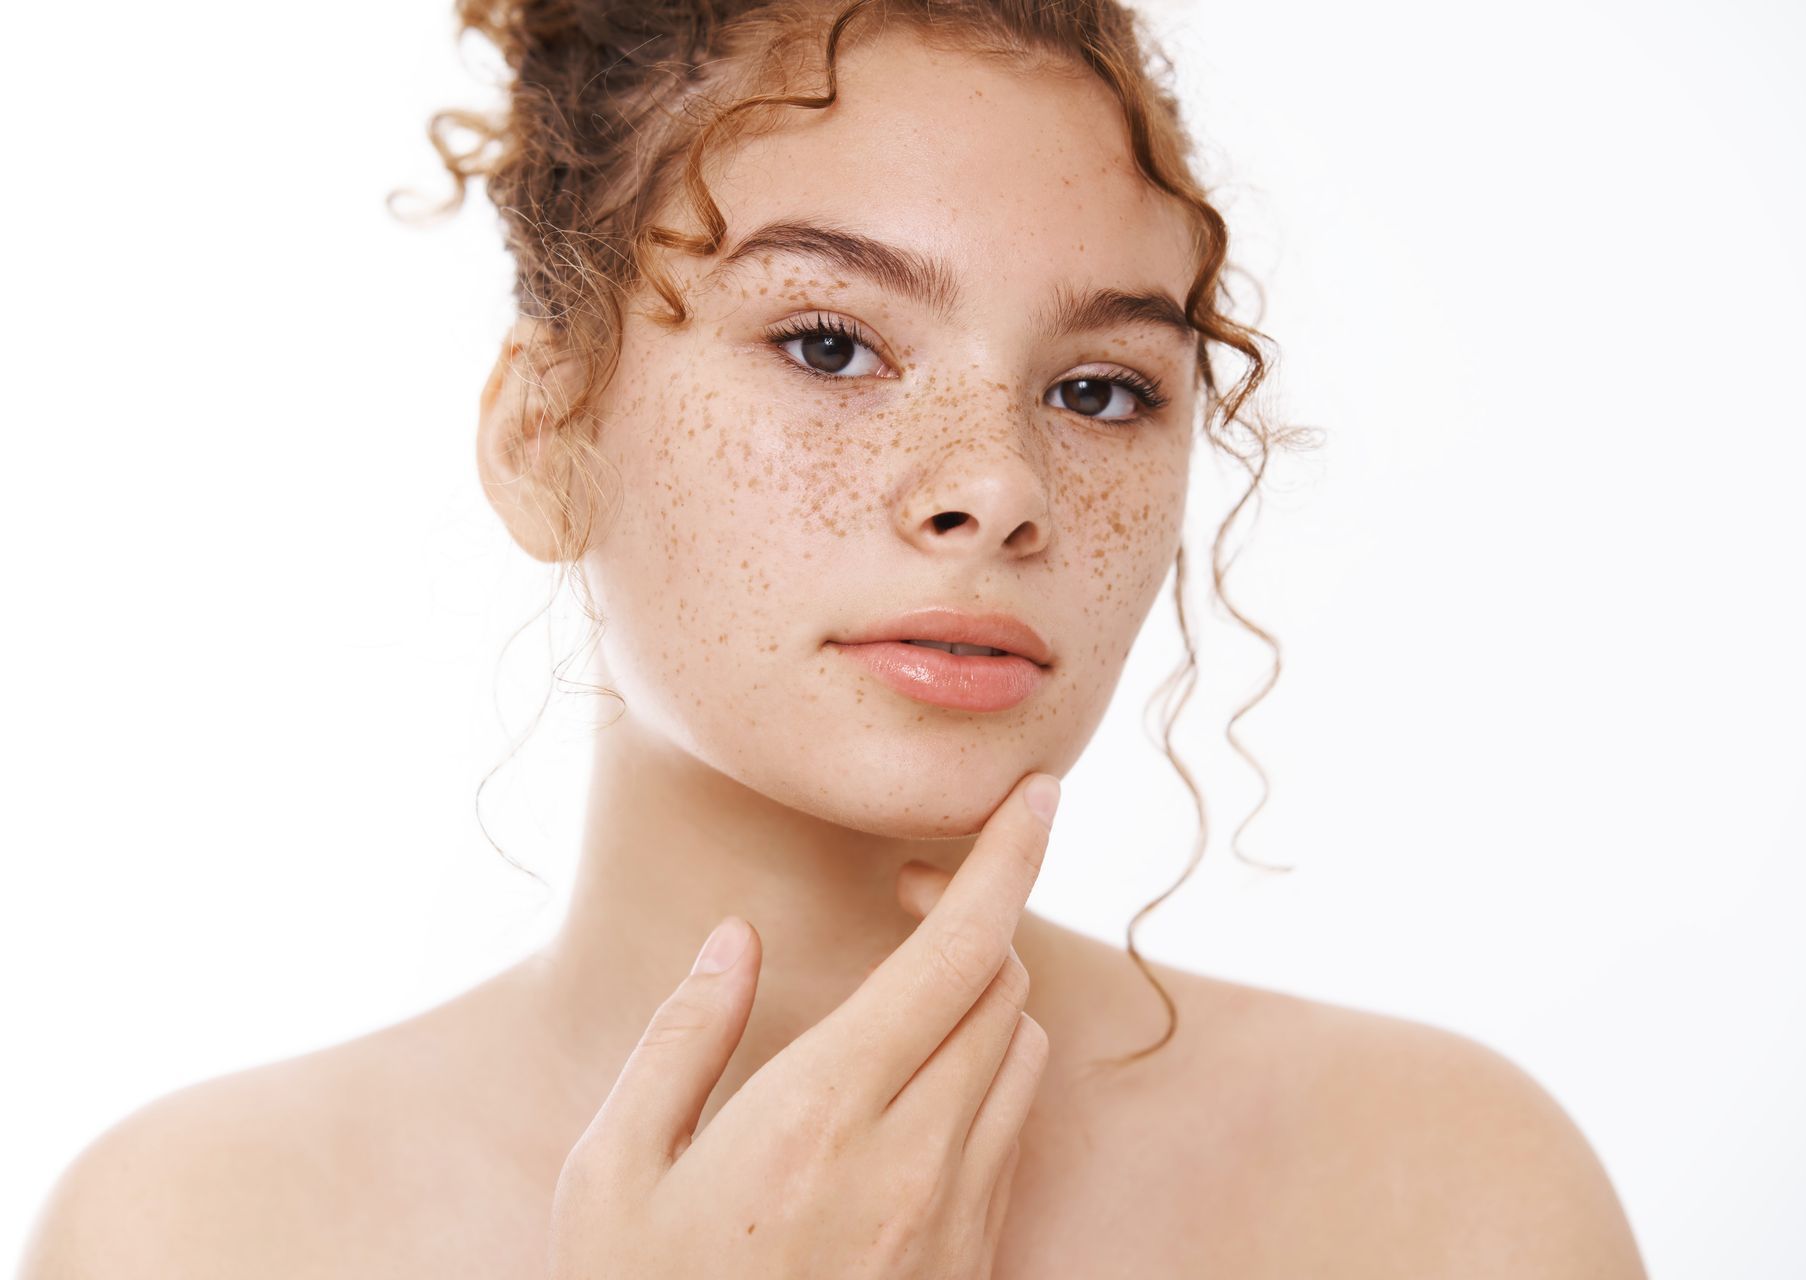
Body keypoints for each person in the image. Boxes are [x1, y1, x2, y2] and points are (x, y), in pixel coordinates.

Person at [18, 0, 1647, 1275]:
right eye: (828, 342)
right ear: (543, 433)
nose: (998, 488)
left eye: (1100, 389)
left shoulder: (1443, 1194)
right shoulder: (196, 1234)